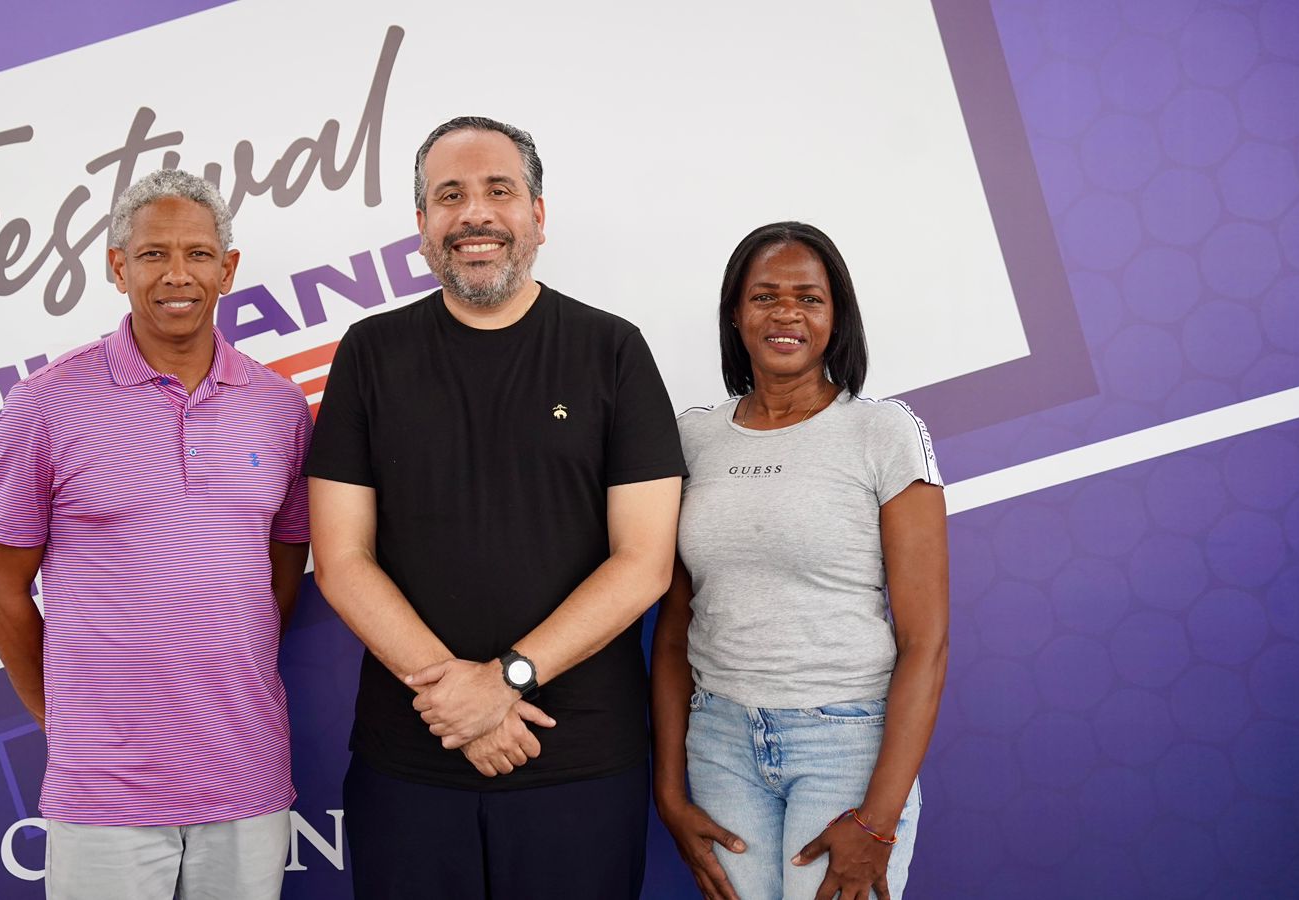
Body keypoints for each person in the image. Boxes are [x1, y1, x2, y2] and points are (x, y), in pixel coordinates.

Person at [305, 116, 686, 900]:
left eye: (498, 191)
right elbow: (341, 558)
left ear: (538, 215)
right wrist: (459, 698)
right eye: (450, 196)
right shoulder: (370, 354)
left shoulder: (613, 351)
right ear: (421, 227)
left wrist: (507, 679)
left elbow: (643, 562)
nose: (474, 214)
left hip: (576, 765)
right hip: (409, 764)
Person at [0, 169, 312, 900]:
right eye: (154, 254)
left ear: (228, 267)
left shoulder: (281, 408)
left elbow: (283, 570)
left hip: (245, 776)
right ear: (117, 266)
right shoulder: (47, 404)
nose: (177, 274)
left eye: (197, 253)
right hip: (105, 791)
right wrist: (65, 721)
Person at [651, 221, 948, 900]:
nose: (786, 313)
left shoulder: (883, 432)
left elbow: (925, 641)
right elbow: (672, 632)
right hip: (720, 740)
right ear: (736, 312)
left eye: (809, 298)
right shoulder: (693, 437)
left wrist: (877, 824)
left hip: (846, 745)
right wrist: (669, 791)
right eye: (765, 296)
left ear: (836, 316)